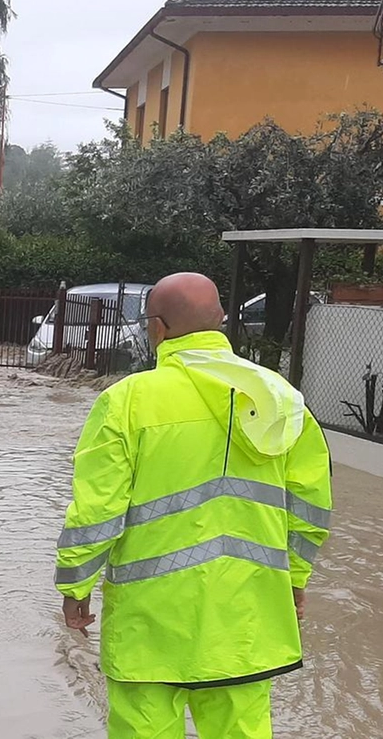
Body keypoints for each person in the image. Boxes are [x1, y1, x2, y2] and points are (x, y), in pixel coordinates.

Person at [54, 273, 333, 739]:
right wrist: (296, 579)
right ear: (220, 322)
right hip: (244, 619)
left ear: (158, 328)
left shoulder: (126, 403)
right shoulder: (278, 401)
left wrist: (75, 584)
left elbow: (97, 511)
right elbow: (310, 506)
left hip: (150, 623)